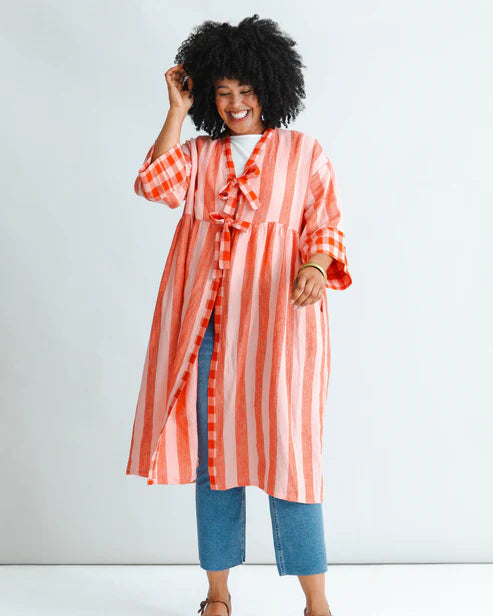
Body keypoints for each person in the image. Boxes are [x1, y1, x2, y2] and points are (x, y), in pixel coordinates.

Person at [126, 14, 353, 616]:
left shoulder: (304, 153)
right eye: (222, 91)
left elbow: (325, 225)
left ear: (270, 87)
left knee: (291, 457)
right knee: (214, 462)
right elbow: (153, 185)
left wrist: (315, 266)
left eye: (246, 90)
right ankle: (218, 596)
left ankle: (317, 602)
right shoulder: (200, 154)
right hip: (206, 331)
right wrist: (177, 111)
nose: (234, 103)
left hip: (280, 329)